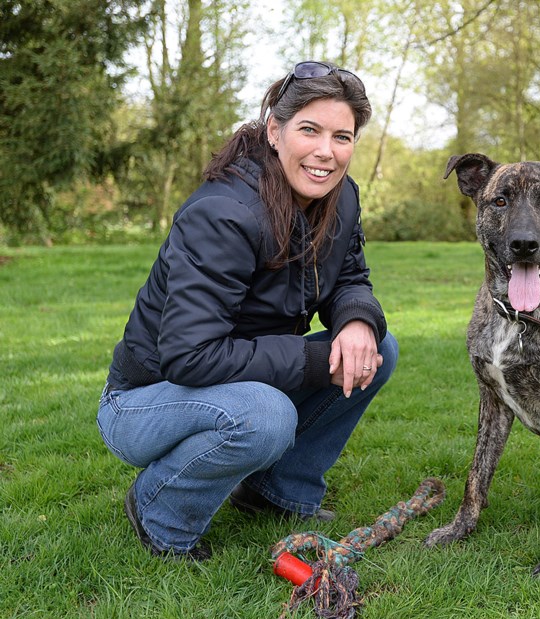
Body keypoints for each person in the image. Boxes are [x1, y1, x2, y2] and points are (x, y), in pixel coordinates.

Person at [96, 61, 397, 561]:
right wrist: (311, 362)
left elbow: (349, 278)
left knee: (377, 349)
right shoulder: (224, 213)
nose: (326, 152)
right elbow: (190, 356)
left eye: (342, 136)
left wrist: (358, 321)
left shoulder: (341, 198)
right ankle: (160, 514)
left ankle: (277, 492)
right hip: (143, 401)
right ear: (274, 131)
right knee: (266, 414)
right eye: (310, 130)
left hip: (236, 376)